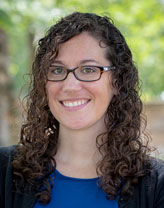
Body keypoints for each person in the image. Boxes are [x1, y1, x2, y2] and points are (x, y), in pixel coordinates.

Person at [0, 12, 164, 208]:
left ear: (117, 82)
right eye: (57, 70)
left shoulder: (156, 186)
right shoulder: (4, 171)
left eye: (88, 70)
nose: (70, 86)